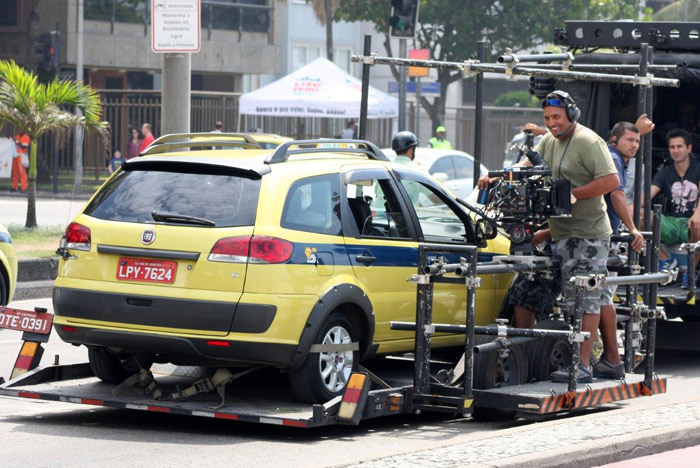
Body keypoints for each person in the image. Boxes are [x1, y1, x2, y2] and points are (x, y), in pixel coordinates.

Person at [479, 90, 620, 383]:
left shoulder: (588, 141)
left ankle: (582, 365)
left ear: (571, 114)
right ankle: (526, 356)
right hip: (557, 233)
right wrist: (498, 176)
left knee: (585, 297)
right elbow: (526, 168)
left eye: (556, 117)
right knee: (527, 288)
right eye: (546, 118)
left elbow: (611, 181)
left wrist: (570, 195)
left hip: (587, 234)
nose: (552, 123)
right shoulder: (549, 141)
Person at [650, 128, 700, 277]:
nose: (675, 150)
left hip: (692, 224)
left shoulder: (698, 168)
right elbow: (648, 196)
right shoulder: (665, 172)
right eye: (672, 147)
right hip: (671, 223)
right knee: (639, 215)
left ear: (689, 148)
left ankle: (690, 273)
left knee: (699, 223)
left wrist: (697, 215)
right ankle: (666, 260)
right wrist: (630, 208)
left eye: (679, 146)